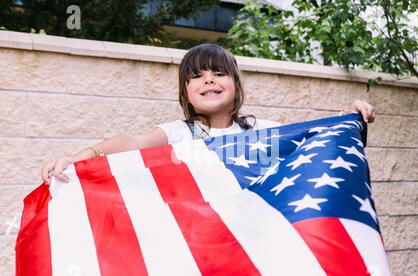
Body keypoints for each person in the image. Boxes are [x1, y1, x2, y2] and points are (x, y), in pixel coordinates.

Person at [41, 43, 375, 185]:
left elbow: (309, 139)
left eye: (218, 73)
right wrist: (80, 155)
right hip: (199, 244)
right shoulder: (178, 132)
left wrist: (347, 118)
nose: (209, 80)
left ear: (235, 85)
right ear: (186, 91)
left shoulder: (258, 131)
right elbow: (131, 142)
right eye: (198, 75)